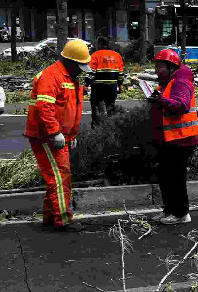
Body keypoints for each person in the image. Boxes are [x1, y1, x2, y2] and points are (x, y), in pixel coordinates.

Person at [25, 40, 89, 231]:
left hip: (57, 135)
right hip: (46, 135)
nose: (81, 70)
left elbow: (69, 109)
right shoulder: (52, 76)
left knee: (57, 176)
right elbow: (45, 108)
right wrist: (55, 132)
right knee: (60, 177)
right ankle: (62, 219)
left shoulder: (69, 76)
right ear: (69, 61)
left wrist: (71, 134)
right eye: (79, 66)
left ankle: (51, 217)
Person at [149, 49, 198, 224]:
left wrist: (160, 100)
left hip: (182, 139)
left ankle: (181, 214)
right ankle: (170, 210)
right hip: (170, 138)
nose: (157, 70)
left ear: (171, 67)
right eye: (156, 66)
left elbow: (182, 106)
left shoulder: (180, 82)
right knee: (165, 175)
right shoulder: (168, 82)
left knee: (176, 177)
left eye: (160, 67)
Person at [88, 38, 124, 127]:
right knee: (110, 105)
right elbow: (120, 72)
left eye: (96, 44)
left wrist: (86, 84)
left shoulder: (95, 55)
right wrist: (120, 84)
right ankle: (110, 126)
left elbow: (91, 72)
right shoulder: (117, 55)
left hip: (98, 86)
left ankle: (96, 126)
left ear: (100, 44)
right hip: (112, 86)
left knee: (95, 105)